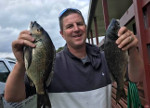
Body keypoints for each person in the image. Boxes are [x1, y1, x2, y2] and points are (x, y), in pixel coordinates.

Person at [4, 8, 144, 108]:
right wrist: (21, 63)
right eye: (70, 26)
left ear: (85, 27)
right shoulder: (49, 62)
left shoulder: (105, 57)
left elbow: (136, 78)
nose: (76, 29)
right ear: (62, 34)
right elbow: (12, 97)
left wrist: (132, 49)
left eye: (79, 24)